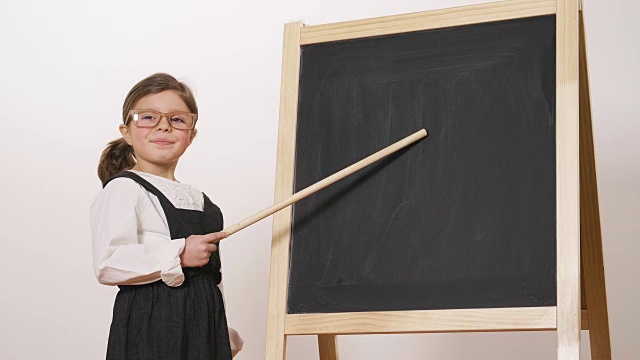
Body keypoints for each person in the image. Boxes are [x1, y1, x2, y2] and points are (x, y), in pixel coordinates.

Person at [91, 73, 243, 359]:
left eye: (177, 119)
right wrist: (179, 253)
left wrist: (220, 328)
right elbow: (107, 262)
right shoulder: (124, 188)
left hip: (203, 327)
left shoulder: (202, 201)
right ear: (126, 132)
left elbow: (210, 275)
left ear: (192, 133)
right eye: (148, 117)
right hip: (152, 326)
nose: (163, 126)